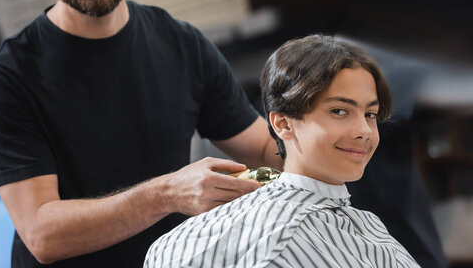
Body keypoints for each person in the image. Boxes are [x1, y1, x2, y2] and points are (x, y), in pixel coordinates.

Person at [0, 0, 281, 267]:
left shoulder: (182, 44)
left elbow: (261, 147)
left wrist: (325, 138)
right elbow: (41, 233)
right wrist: (168, 193)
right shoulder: (9, 76)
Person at [144, 35, 421, 267]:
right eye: (339, 111)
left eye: (370, 114)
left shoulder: (363, 223)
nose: (364, 129)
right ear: (283, 124)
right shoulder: (287, 240)